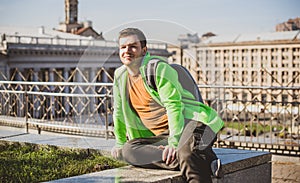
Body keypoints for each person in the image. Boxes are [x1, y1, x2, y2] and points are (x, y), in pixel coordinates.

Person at [111, 28, 224, 183]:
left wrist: (174, 142)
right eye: (123, 47)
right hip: (160, 136)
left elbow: (174, 106)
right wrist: (119, 142)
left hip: (191, 125)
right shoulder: (120, 76)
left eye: (133, 46)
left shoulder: (157, 69)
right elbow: (118, 112)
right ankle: (202, 160)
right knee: (129, 151)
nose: (127, 51)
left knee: (186, 152)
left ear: (144, 50)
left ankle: (191, 157)